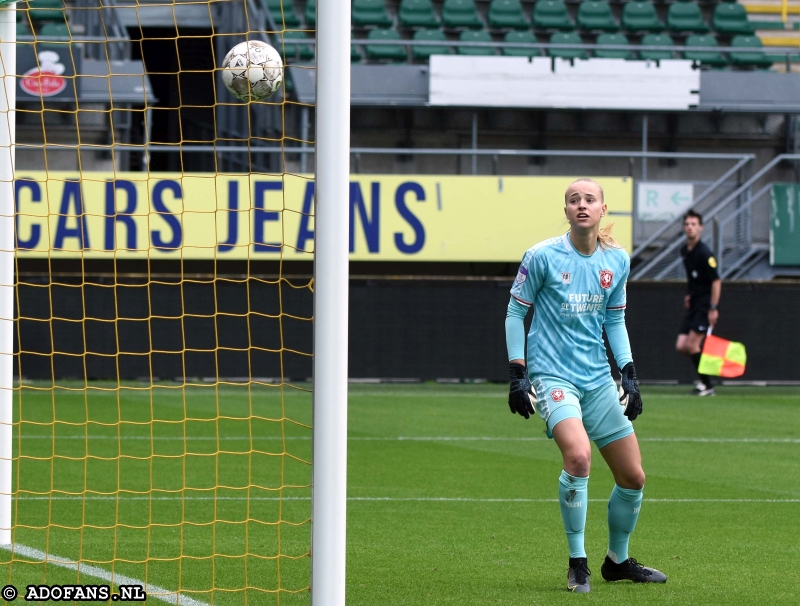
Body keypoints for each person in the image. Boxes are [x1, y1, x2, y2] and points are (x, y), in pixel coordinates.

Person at [504, 178, 667, 593]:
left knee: (633, 477)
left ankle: (617, 561)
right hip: (553, 376)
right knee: (578, 457)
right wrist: (517, 372)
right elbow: (514, 313)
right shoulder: (541, 256)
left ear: (602, 209)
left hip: (597, 379)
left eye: (589, 199)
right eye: (574, 199)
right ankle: (578, 562)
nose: (581, 205)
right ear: (566, 210)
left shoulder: (617, 261)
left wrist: (628, 371)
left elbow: (614, 319)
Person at [675, 210, 721, 396]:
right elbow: (694, 278)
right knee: (682, 346)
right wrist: (689, 294)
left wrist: (713, 308)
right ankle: (707, 366)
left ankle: (707, 386)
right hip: (693, 303)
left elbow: (716, 282)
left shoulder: (705, 253)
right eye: (687, 224)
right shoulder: (685, 251)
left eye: (694, 224)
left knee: (692, 345)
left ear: (700, 227)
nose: (690, 227)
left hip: (704, 305)